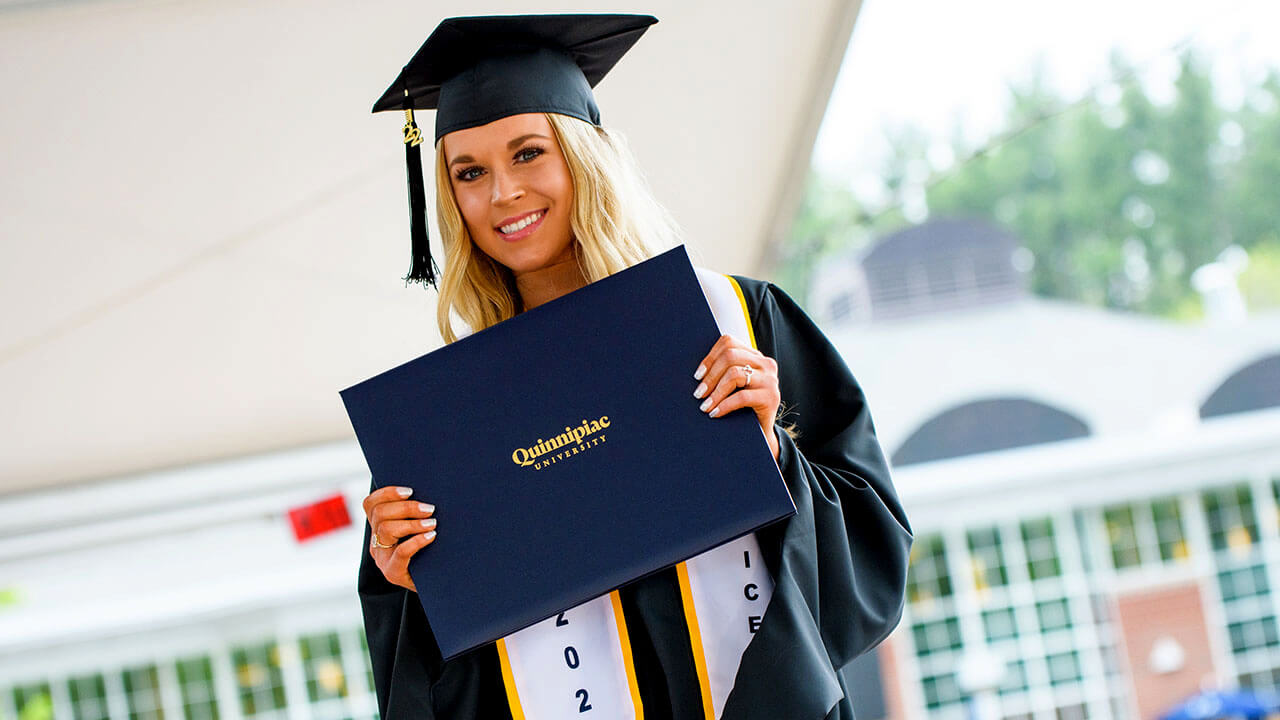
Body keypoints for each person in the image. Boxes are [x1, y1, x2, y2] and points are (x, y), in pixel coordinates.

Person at [357, 14, 912, 720]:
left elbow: (874, 541)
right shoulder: (445, 418)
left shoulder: (733, 318)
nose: (502, 193)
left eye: (529, 153)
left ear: (584, 157)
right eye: (470, 172)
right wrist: (412, 582)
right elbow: (432, 687)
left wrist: (772, 451)